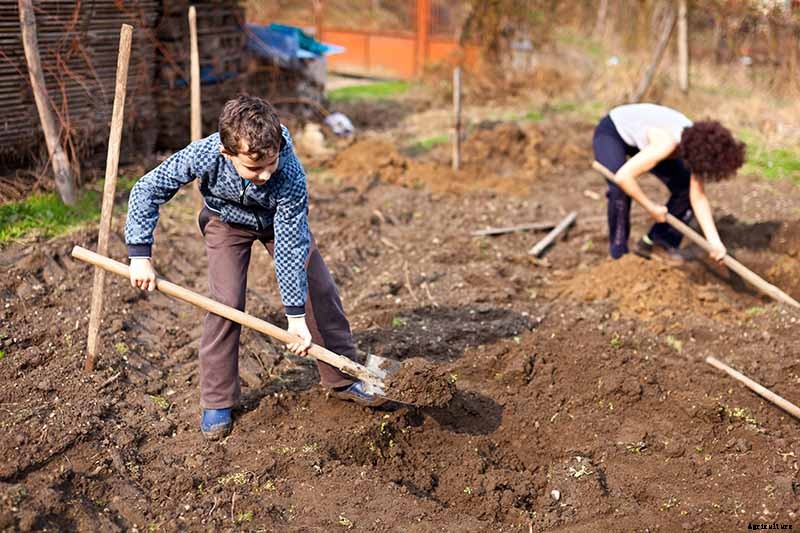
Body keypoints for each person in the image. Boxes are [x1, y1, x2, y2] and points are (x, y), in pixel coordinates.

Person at [124, 95, 384, 440]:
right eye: (253, 167)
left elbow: (290, 245)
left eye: (270, 163)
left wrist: (295, 317)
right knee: (226, 303)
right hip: (225, 221)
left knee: (318, 289)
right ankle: (218, 399)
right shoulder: (204, 153)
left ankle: (343, 376)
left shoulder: (289, 174)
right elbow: (148, 188)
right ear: (227, 153)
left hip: (278, 223)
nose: (264, 174)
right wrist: (140, 255)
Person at [592, 103, 745, 262]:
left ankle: (657, 242)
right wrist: (651, 207)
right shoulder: (667, 143)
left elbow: (698, 197)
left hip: (647, 138)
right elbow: (623, 177)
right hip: (614, 131)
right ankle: (618, 255)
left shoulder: (699, 146)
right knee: (619, 190)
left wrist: (715, 242)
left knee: (685, 189)